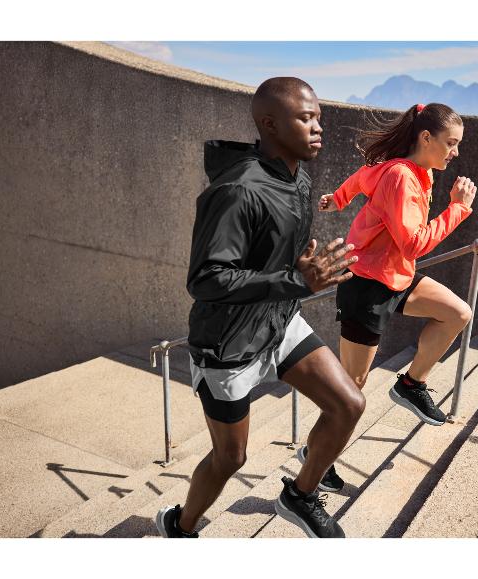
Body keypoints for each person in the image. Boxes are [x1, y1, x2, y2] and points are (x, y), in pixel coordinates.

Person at [155, 77, 365, 539]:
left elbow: (273, 256)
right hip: (228, 345)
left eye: (319, 118)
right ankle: (181, 526)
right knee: (232, 458)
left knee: (348, 403)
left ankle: (299, 495)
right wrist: (295, 279)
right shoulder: (236, 191)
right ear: (269, 124)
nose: (317, 128)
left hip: (279, 320)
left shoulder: (299, 179)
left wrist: (298, 270)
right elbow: (206, 279)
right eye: (305, 118)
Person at [308, 103, 477, 492]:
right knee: (351, 389)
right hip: (366, 285)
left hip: (396, 277)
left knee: (456, 313)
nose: (455, 153)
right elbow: (414, 243)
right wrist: (458, 209)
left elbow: (363, 176)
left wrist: (340, 197)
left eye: (458, 145)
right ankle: (314, 460)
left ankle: (411, 384)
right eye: (451, 144)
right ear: (426, 138)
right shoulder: (402, 176)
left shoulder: (416, 170)